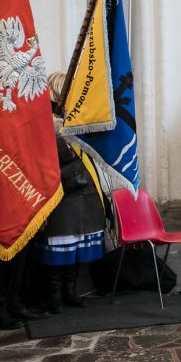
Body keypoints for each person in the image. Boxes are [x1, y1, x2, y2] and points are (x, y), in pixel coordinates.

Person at [32, 72, 107, 313]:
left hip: (83, 191)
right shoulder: (44, 117)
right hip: (61, 190)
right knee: (59, 246)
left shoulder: (77, 117)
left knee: (76, 246)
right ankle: (53, 296)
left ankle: (70, 291)